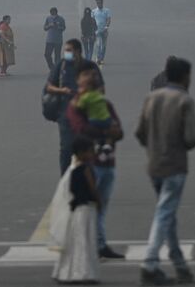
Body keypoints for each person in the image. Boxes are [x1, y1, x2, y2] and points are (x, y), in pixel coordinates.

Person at [135, 57, 195, 286]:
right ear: (182, 76)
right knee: (164, 213)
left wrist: (155, 145)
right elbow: (191, 139)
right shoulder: (185, 100)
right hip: (175, 166)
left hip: (154, 164)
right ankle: (149, 263)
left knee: (167, 214)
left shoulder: (151, 98)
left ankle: (180, 265)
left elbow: (140, 132)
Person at [66, 75, 125, 260]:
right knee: (88, 207)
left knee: (101, 207)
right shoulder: (76, 106)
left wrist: (110, 132)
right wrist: (107, 131)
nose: (81, 89)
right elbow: (80, 129)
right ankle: (89, 245)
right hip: (89, 165)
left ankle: (99, 244)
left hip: (108, 162)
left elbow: (119, 131)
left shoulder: (105, 105)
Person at [47, 39, 101, 174]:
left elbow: (101, 90)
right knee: (66, 148)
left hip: (87, 115)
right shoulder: (62, 65)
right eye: (66, 50)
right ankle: (65, 179)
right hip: (66, 114)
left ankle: (87, 179)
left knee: (87, 147)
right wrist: (62, 90)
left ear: (78, 51)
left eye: (69, 50)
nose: (67, 53)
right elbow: (49, 86)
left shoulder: (90, 66)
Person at [52, 137, 101, 284]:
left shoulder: (72, 168)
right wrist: (99, 201)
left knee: (74, 240)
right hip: (86, 208)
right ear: (82, 152)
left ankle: (67, 271)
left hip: (75, 209)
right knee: (84, 240)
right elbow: (92, 189)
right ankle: (83, 272)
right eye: (91, 151)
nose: (93, 153)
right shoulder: (86, 169)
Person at [93, 0, 112, 66]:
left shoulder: (107, 10)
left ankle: (102, 59)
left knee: (103, 45)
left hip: (104, 30)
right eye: (97, 3)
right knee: (98, 44)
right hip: (97, 30)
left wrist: (106, 27)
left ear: (102, 3)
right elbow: (92, 21)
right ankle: (98, 58)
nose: (98, 4)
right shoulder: (94, 11)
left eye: (99, 3)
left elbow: (109, 19)